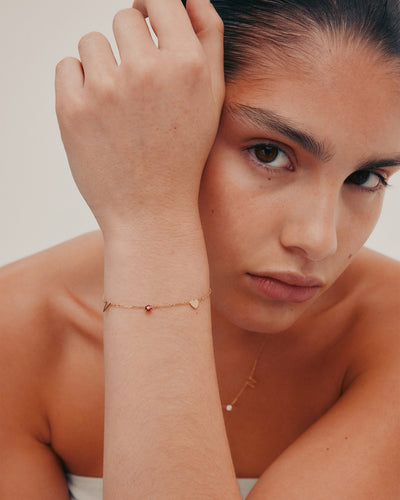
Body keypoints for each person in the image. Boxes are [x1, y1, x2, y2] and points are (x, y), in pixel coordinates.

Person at [1, 0, 400, 498]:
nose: (320, 239)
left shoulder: (388, 332)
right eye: (269, 153)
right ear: (161, 120)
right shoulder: (16, 332)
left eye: (366, 178)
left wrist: (149, 226)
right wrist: (150, 219)